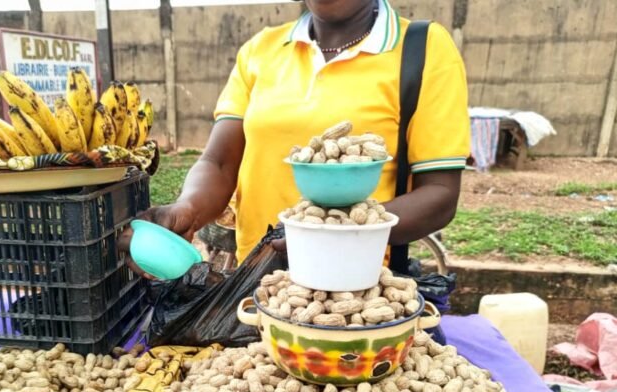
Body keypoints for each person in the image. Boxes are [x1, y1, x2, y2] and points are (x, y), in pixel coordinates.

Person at [121, 0, 470, 275]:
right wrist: (187, 210)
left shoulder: (423, 49)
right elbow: (220, 161)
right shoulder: (261, 50)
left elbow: (439, 194)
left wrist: (329, 233)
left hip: (359, 286)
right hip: (256, 281)